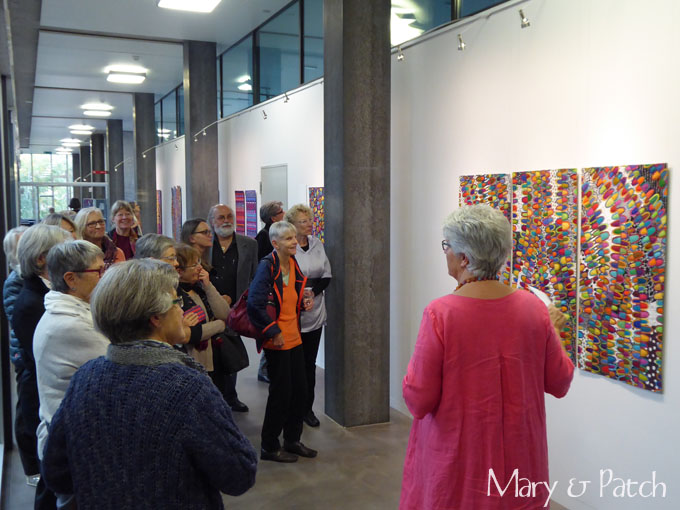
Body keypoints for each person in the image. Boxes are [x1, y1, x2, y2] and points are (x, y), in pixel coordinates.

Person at [41, 259, 258, 508]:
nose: (182, 311)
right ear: (156, 317)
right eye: (177, 302)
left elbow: (56, 473)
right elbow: (239, 474)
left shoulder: (86, 378)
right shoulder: (188, 388)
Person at [399, 204, 574, 510]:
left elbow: (418, 399)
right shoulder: (534, 310)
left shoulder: (441, 314)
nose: (445, 252)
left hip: (459, 463)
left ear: (464, 258)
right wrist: (554, 329)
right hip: (519, 460)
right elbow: (560, 382)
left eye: (447, 246)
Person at [33, 241, 108, 508]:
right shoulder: (71, 325)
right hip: (74, 447)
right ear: (71, 279)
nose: (104, 277)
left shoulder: (73, 312)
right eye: (98, 271)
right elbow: (119, 367)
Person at [11, 224, 72, 509]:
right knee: (51, 480)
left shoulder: (45, 294)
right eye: (64, 251)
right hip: (41, 398)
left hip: (45, 394)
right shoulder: (31, 302)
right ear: (41, 259)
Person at [247, 221, 316, 463]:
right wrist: (273, 331)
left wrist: (304, 302)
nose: (294, 241)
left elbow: (290, 297)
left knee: (300, 391)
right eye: (288, 239)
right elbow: (254, 304)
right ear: (275, 243)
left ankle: (292, 440)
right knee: (281, 394)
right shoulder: (268, 266)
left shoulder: (293, 263)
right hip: (276, 340)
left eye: (294, 237)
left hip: (294, 336)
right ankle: (269, 446)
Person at [205, 204, 258, 413]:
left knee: (231, 351)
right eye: (221, 217)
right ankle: (211, 398)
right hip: (207, 308)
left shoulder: (249, 244)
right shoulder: (205, 245)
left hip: (235, 309)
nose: (226, 220)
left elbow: (253, 276)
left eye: (229, 216)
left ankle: (230, 397)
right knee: (210, 353)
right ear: (212, 221)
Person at [285, 204, 331, 427]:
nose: (309, 224)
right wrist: (300, 295)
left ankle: (306, 409)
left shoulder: (317, 244)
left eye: (310, 220)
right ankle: (291, 408)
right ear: (293, 225)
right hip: (292, 314)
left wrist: (313, 292)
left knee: (309, 364)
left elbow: (327, 275)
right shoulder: (288, 247)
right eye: (303, 221)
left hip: (315, 311)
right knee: (293, 366)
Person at [2, 226, 39, 486]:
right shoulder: (15, 281)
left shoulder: (28, 278)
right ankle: (30, 468)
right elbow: (19, 319)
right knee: (25, 408)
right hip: (24, 354)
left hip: (29, 352)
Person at [175, 243, 232, 380]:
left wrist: (208, 286)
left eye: (199, 262)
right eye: (194, 265)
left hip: (216, 357)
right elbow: (190, 334)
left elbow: (225, 314)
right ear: (179, 271)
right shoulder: (175, 295)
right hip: (193, 363)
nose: (200, 267)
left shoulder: (200, 289)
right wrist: (219, 325)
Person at [254, 201, 285, 383]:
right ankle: (264, 369)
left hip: (273, 290)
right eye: (281, 212)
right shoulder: (264, 237)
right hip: (268, 292)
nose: (284, 213)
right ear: (273, 218)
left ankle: (267, 368)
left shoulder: (270, 235)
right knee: (270, 327)